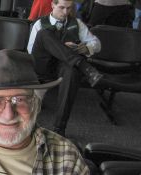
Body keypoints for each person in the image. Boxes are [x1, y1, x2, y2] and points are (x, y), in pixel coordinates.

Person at [27, 0, 103, 136]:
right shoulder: (40, 23)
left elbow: (97, 44)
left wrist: (86, 48)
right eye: (61, 8)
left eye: (68, 8)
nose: (65, 12)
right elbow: (30, 50)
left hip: (63, 67)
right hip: (43, 66)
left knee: (72, 71)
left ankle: (59, 128)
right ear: (52, 5)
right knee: (44, 35)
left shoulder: (77, 23)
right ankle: (84, 66)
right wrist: (56, 47)